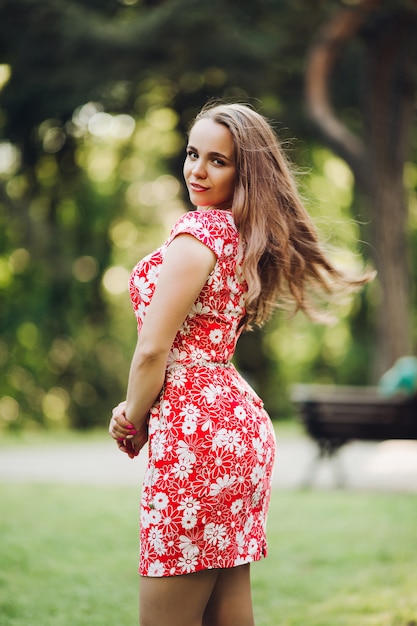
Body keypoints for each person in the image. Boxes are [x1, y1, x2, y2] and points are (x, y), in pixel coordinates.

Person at [109, 101, 372, 626]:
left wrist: (131, 415)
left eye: (217, 160)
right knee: (228, 610)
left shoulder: (198, 235)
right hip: (236, 428)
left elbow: (153, 349)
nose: (196, 170)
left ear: (244, 171)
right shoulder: (240, 235)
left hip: (197, 436)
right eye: (191, 154)